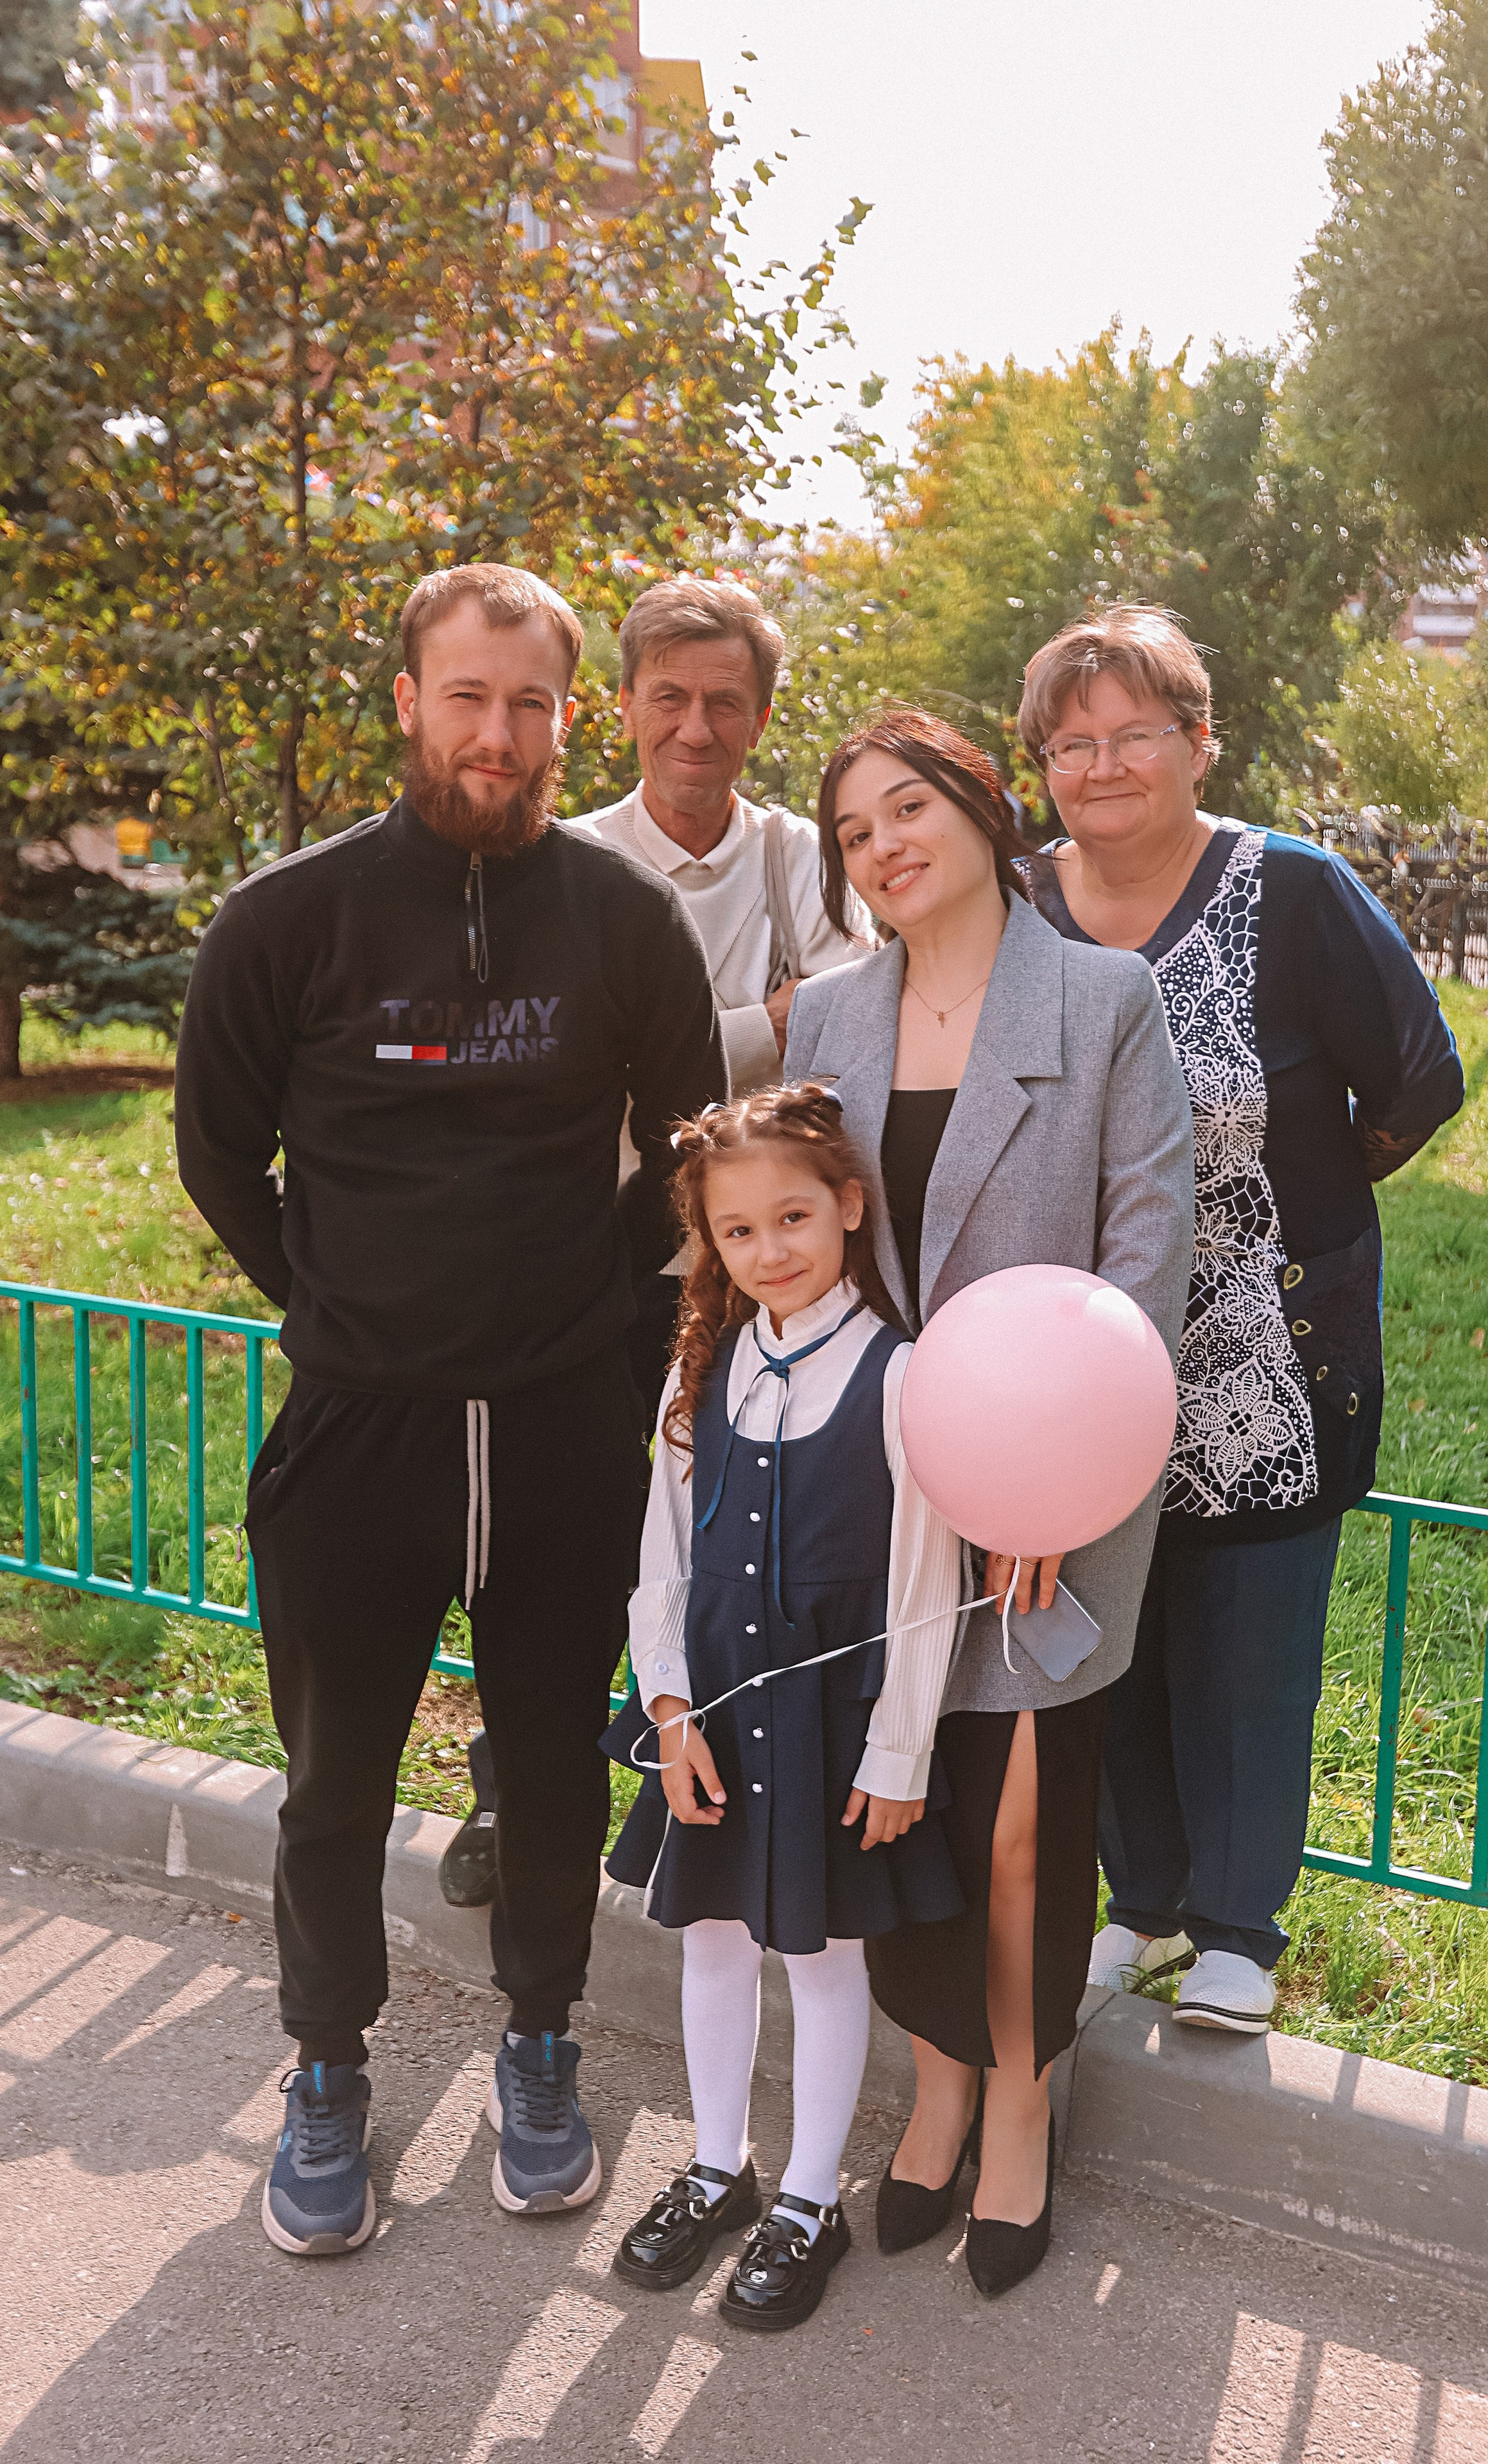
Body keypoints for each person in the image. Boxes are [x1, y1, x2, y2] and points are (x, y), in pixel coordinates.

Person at [173, 563, 728, 2255]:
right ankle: (326, 2070)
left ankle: (540, 2046)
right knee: (334, 1783)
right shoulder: (288, 919)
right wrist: (340, 1304)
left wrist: (598, 1312)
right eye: (470, 697)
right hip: (361, 1436)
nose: (500, 732)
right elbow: (219, 1152)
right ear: (410, 701)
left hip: (563, 1429)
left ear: (567, 720)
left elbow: (690, 1145)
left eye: (530, 703)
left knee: (551, 1771)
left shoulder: (624, 921)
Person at [785, 709, 1195, 2298]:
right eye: (851, 831)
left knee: (1022, 1813)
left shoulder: (1099, 998)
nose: (881, 846)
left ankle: (1018, 2097)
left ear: (977, 808)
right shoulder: (832, 1013)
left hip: (1053, 1474)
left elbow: (1145, 1247)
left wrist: (1052, 1478)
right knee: (901, 1797)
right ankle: (936, 2081)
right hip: (883, 1479)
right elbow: (800, 1240)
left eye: (907, 808)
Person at [1016, 604, 1464, 2034]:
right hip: (1070, 1342)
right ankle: (1137, 1902)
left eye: (1133, 733)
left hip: (1263, 1336)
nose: (1101, 766)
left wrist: (1290, 1198)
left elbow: (1418, 1077)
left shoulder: (1296, 890)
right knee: (1102, 1624)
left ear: (1199, 742)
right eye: (1069, 743)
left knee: (1250, 1640)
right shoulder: (1014, 904)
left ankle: (1235, 1932)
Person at [439, 576, 868, 1910]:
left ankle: (696, 1790)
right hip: (590, 1268)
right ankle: (517, 1788)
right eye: (668, 697)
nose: (696, 727)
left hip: (760, 1281)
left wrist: (694, 1044)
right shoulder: (560, 860)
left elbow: (848, 1034)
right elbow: (570, 1063)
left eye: (725, 702)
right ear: (618, 707)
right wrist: (755, 1025)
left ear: (761, 717)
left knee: (736, 1548)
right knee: (563, 1542)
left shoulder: (803, 859)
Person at [599, 1084, 965, 2331]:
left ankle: (810, 2197)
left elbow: (925, 1587)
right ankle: (718, 2166)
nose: (770, 1250)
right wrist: (668, 1708)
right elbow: (662, 1556)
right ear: (711, 1240)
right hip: (707, 1709)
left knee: (818, 1951)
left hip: (828, 1722)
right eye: (738, 1230)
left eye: (793, 1217)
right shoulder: (700, 1366)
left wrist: (899, 1751)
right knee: (709, 1936)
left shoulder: (901, 1378)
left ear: (849, 1206)